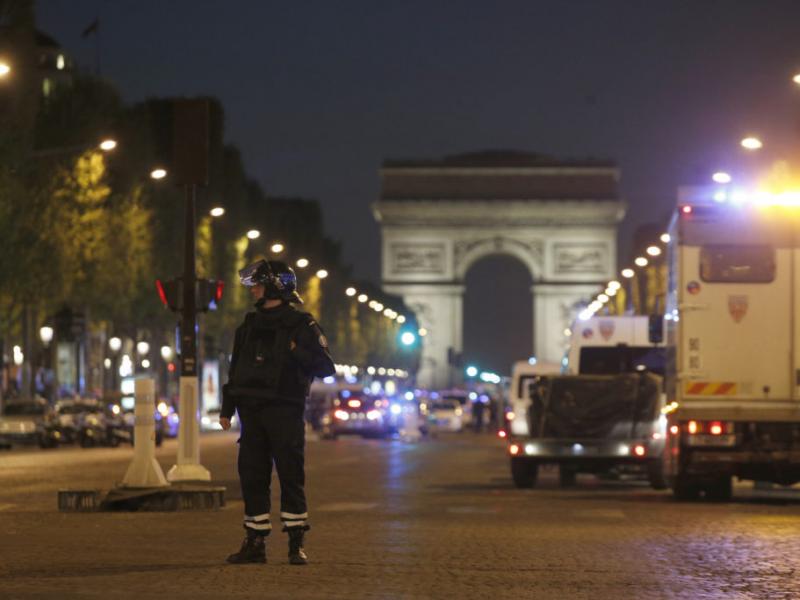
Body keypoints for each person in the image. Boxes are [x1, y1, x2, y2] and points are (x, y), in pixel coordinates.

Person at [220, 259, 336, 566]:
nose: (253, 290)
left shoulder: (302, 324)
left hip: (285, 408)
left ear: (273, 287)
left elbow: (326, 367)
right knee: (252, 476)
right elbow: (236, 369)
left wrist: (296, 350)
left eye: (257, 284)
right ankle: (254, 542)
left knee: (290, 475)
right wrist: (227, 408)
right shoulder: (248, 325)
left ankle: (296, 543)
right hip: (252, 412)